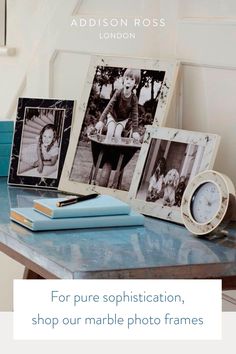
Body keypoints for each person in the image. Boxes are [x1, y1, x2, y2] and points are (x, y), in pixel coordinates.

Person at [95, 68, 141, 143]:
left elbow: (135, 114)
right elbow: (109, 106)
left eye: (132, 79)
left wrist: (135, 131)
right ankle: (105, 148)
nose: (128, 82)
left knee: (117, 135)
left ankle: (117, 151)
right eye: (127, 79)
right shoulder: (118, 93)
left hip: (123, 119)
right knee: (110, 133)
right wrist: (101, 120)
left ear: (135, 84)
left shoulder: (134, 99)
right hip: (112, 115)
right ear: (124, 80)